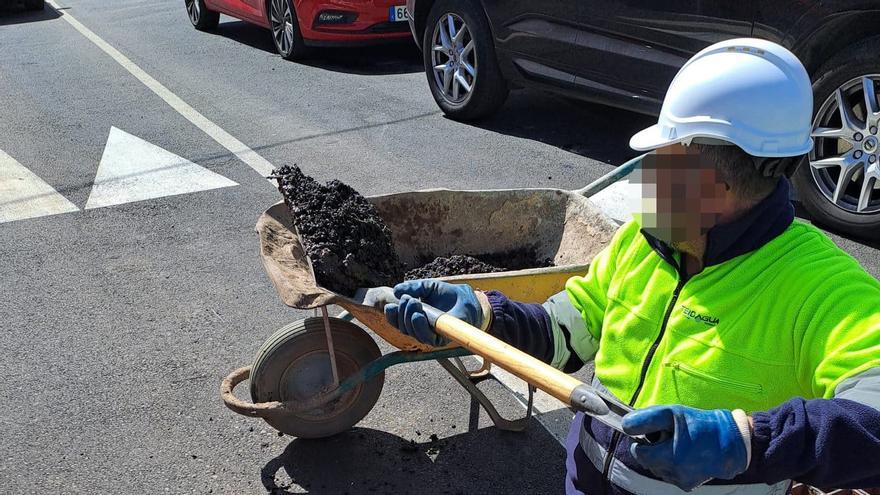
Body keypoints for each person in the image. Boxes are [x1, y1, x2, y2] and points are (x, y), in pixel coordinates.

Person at [384, 38, 880, 495]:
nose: (647, 180)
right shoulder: (642, 243)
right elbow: (564, 331)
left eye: (663, 161)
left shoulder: (822, 288)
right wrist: (484, 315)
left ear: (714, 185)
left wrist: (747, 441)